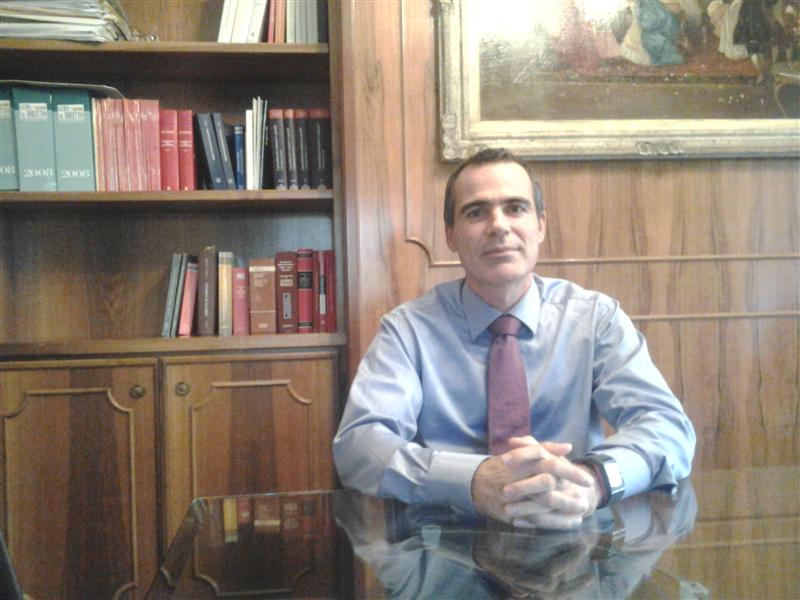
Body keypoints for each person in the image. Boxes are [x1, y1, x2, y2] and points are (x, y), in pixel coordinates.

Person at [333, 148, 696, 530]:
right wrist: (472, 481)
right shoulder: (407, 331)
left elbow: (667, 427)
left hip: (575, 534)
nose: (499, 226)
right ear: (451, 235)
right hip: (447, 539)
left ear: (540, 226)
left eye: (516, 208)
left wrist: (595, 481)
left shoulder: (595, 320)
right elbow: (359, 446)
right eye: (476, 212)